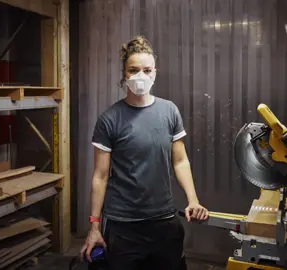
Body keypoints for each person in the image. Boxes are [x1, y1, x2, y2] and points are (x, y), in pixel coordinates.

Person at [80, 36, 209, 270]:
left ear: (155, 73)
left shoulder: (169, 111)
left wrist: (193, 199)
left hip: (163, 220)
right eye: (133, 70)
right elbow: (100, 175)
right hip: (123, 225)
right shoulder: (109, 119)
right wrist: (94, 227)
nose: (141, 76)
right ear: (124, 74)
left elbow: (180, 161)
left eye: (147, 70)